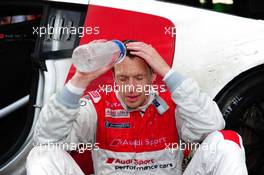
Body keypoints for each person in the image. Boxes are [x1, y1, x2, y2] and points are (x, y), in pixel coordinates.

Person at [26, 40, 248, 175]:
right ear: (113, 78)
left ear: (153, 77)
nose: (131, 87)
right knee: (41, 155)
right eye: (123, 79)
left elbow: (212, 126)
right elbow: (47, 141)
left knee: (227, 141)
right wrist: (80, 80)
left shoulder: (172, 101)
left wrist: (167, 71)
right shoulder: (98, 103)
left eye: (139, 78)